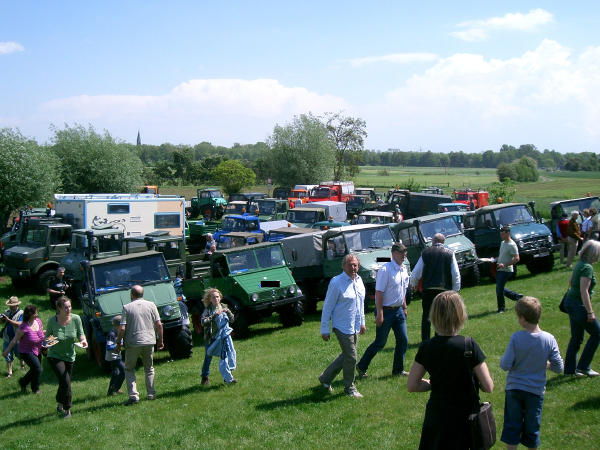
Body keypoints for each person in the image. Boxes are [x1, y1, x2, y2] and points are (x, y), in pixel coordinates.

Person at [407, 291, 494, 449]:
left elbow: (412, 385)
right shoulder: (469, 345)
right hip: (466, 417)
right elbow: (488, 386)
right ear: (460, 314)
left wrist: (433, 383)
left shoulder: (427, 347)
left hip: (438, 417)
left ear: (433, 315)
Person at [500, 296, 563, 449]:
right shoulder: (549, 339)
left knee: (512, 428)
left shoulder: (516, 338)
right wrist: (547, 365)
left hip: (514, 389)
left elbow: (504, 365)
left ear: (522, 319)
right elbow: (559, 367)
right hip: (535, 391)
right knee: (532, 429)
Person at [357, 243, 409, 378]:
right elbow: (379, 292)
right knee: (380, 343)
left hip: (398, 311)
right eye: (401, 252)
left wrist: (404, 307)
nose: (404, 255)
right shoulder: (385, 270)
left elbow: (402, 290)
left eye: (405, 252)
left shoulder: (404, 269)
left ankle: (398, 370)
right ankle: (361, 366)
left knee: (403, 340)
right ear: (394, 254)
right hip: (385, 311)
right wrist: (379, 313)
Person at [319, 254, 366, 398]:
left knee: (347, 355)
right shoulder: (336, 282)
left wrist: (362, 322)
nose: (353, 268)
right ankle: (349, 388)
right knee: (351, 357)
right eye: (350, 265)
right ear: (343, 266)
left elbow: (360, 304)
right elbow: (327, 307)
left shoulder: (359, 280)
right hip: (341, 326)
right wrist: (325, 329)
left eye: (355, 265)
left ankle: (325, 378)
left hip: (354, 325)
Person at [116, 285, 164, 405]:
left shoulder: (126, 307)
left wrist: (118, 344)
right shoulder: (151, 305)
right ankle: (151, 394)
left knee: (129, 369)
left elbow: (122, 328)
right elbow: (159, 325)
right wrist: (160, 341)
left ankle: (134, 396)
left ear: (131, 295)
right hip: (149, 341)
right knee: (149, 369)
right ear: (142, 294)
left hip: (132, 343)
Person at [410, 233, 460, 341]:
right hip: (444, 290)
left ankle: (425, 340)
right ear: (443, 242)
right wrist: (455, 290)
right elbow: (455, 273)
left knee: (426, 316)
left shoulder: (425, 253)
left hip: (428, 289)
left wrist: (413, 284)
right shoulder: (450, 253)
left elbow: (416, 272)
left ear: (433, 241)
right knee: (442, 315)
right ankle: (440, 338)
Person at [45, 296, 88, 418]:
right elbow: (47, 339)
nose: (68, 309)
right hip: (55, 356)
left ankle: (59, 402)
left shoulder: (76, 318)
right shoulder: (52, 321)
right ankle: (67, 410)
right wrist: (53, 340)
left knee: (64, 382)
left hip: (70, 356)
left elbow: (81, 334)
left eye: (69, 306)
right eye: (65, 307)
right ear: (59, 308)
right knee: (66, 382)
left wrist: (84, 342)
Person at [563, 240, 600, 376]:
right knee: (597, 334)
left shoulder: (580, 264)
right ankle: (583, 367)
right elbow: (584, 291)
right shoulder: (587, 268)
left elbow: (571, 282)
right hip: (578, 305)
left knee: (576, 337)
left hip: (570, 302)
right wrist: (590, 312)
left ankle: (569, 370)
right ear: (594, 253)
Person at [2, 304, 44, 394]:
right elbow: (14, 340)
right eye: (35, 312)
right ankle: (35, 389)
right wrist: (6, 351)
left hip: (38, 349)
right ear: (30, 314)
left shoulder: (38, 321)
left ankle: (23, 382)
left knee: (34, 369)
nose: (37, 314)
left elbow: (40, 333)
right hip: (26, 352)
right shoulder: (23, 327)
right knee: (37, 369)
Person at [200, 288, 237, 385]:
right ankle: (205, 377)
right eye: (213, 297)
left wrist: (228, 312)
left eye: (217, 297)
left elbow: (232, 320)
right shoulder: (208, 310)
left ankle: (228, 377)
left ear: (220, 297)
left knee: (228, 355)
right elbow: (203, 322)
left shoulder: (224, 306)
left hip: (224, 337)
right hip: (211, 338)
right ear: (210, 299)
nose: (216, 299)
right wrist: (213, 316)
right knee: (208, 357)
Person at [496, 226, 522, 314]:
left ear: (508, 233)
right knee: (500, 288)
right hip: (500, 269)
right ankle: (517, 297)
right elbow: (503, 255)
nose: (501, 236)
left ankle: (501, 308)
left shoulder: (512, 244)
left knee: (499, 289)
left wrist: (504, 264)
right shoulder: (502, 243)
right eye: (500, 234)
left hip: (506, 270)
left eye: (503, 234)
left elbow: (517, 259)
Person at [2, 296, 24, 377]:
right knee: (8, 355)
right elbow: (2, 322)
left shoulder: (21, 313)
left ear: (16, 305)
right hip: (7, 338)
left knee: (19, 354)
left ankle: (22, 364)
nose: (10, 307)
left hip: (17, 339)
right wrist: (1, 319)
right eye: (10, 305)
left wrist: (8, 320)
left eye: (12, 305)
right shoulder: (7, 312)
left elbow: (19, 324)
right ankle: (10, 372)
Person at [105, 315, 125, 396]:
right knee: (123, 371)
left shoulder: (119, 332)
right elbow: (108, 346)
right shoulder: (112, 334)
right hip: (113, 357)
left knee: (116, 373)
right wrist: (118, 345)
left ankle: (113, 390)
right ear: (117, 326)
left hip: (117, 356)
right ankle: (115, 388)